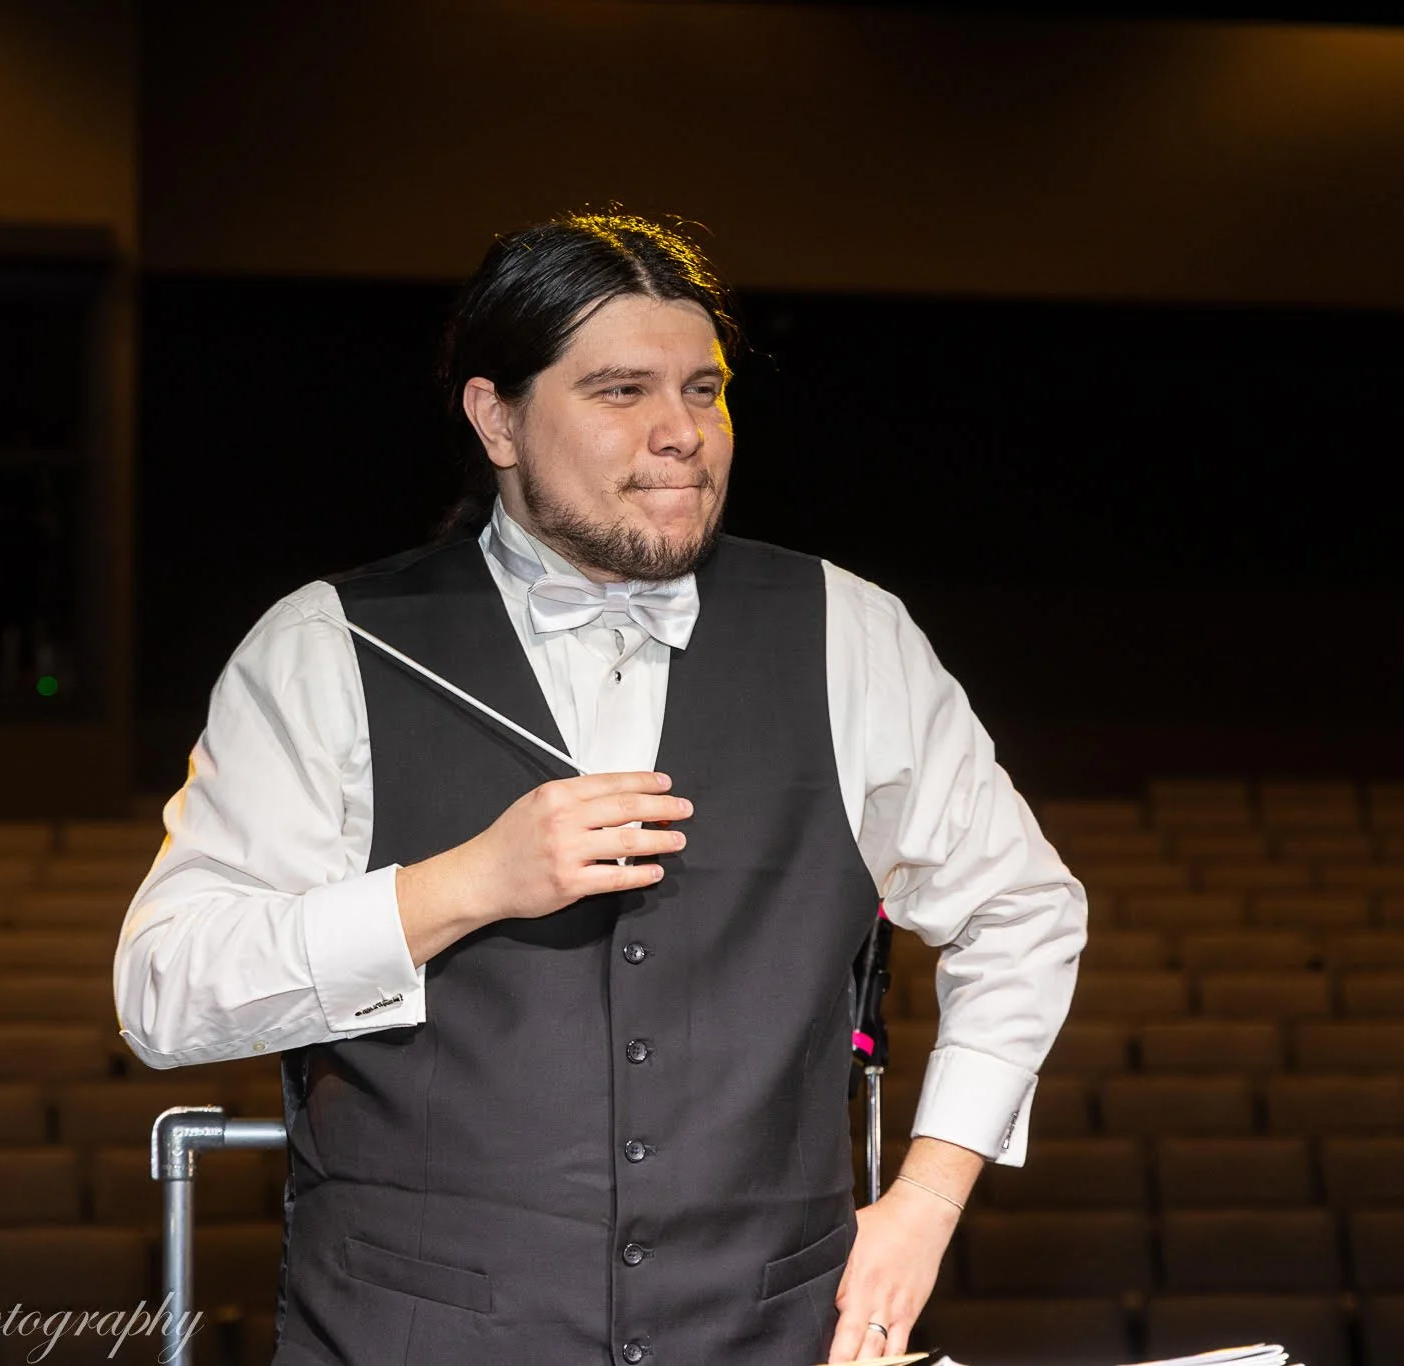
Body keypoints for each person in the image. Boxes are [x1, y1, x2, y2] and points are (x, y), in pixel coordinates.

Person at [115, 212, 1087, 1365]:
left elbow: (1021, 911)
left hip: (770, 1331)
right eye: (620, 390)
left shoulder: (851, 633)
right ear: (497, 418)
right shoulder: (326, 645)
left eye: (704, 390)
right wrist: (460, 885)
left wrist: (926, 1199)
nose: (682, 434)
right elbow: (166, 995)